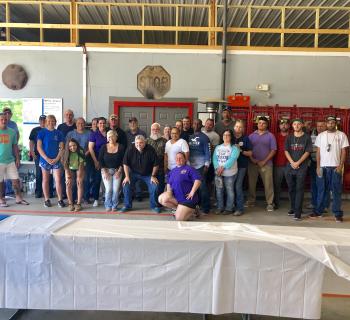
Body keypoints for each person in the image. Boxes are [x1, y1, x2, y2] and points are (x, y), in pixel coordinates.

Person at [312, 116, 349, 222]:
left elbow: (344, 152)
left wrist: (340, 165)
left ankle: (337, 213)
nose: (331, 124)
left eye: (333, 122)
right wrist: (318, 166)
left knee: (336, 191)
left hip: (335, 168)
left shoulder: (341, 135)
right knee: (322, 191)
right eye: (329, 123)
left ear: (335, 124)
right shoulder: (321, 136)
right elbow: (318, 152)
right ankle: (319, 211)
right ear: (326, 124)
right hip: (323, 167)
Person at [120, 135, 160, 213]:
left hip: (148, 174)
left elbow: (156, 164)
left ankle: (154, 206)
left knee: (154, 186)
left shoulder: (150, 149)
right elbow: (125, 163)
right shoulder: (130, 149)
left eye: (141, 143)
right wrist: (127, 177)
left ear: (145, 142)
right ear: (135, 143)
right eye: (137, 143)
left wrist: (153, 176)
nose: (139, 144)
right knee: (126, 184)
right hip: (134, 173)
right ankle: (127, 205)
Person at [158, 152, 201, 221]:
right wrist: (169, 192)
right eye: (177, 158)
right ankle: (180, 209)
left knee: (179, 219)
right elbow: (169, 183)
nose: (178, 159)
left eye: (180, 158)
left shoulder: (189, 169)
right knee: (161, 199)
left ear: (185, 159)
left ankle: (193, 209)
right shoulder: (172, 171)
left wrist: (192, 192)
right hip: (177, 199)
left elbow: (198, 180)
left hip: (187, 199)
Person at [284, 119, 312, 221]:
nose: (296, 126)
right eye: (294, 124)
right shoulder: (289, 137)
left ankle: (298, 212)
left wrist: (298, 163)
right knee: (291, 188)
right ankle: (293, 208)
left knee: (299, 189)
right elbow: (286, 151)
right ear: (292, 126)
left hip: (302, 167)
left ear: (302, 125)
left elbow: (308, 152)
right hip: (290, 167)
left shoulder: (307, 137)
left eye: (298, 124)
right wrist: (292, 162)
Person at [247, 117, 277, 212]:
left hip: (266, 164)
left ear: (267, 125)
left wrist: (264, 161)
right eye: (259, 123)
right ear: (257, 124)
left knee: (268, 184)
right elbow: (248, 150)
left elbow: (273, 150)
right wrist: (253, 159)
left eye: (263, 123)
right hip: (253, 163)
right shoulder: (251, 136)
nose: (261, 125)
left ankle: (270, 203)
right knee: (251, 184)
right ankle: (251, 201)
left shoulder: (271, 136)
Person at [0, 112, 28, 207]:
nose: (4, 121)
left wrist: (17, 159)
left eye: (5, 119)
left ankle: (18, 198)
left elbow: (15, 146)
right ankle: (2, 199)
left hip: (10, 161)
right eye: (1, 119)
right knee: (0, 182)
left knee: (15, 180)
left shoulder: (12, 132)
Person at [37, 114, 65, 208]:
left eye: (53, 121)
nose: (51, 122)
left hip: (56, 159)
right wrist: (46, 158)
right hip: (45, 160)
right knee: (45, 179)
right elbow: (39, 147)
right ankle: (47, 199)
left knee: (58, 179)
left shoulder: (59, 133)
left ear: (55, 122)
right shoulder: (42, 132)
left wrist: (57, 158)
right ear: (45, 122)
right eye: (49, 121)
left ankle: (60, 200)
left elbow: (62, 147)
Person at [213, 129, 240, 214]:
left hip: (230, 173)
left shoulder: (235, 148)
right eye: (224, 135)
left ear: (231, 137)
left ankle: (229, 208)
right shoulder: (218, 147)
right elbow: (214, 158)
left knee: (229, 190)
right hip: (218, 173)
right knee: (219, 190)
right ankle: (220, 207)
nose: (226, 136)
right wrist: (217, 168)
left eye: (228, 135)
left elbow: (232, 159)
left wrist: (222, 167)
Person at [98, 130, 125, 212]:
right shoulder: (103, 147)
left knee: (116, 189)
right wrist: (105, 171)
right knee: (109, 189)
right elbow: (100, 160)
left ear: (116, 137)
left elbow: (124, 160)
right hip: (106, 171)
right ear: (107, 138)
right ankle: (108, 205)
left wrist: (119, 170)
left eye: (113, 136)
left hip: (118, 170)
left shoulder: (121, 147)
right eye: (109, 136)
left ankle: (114, 205)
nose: (111, 138)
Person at [188, 119, 211, 214]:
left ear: (201, 125)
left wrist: (207, 164)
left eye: (198, 124)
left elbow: (208, 151)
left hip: (201, 166)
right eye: (195, 123)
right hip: (191, 166)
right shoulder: (189, 137)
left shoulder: (205, 137)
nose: (196, 125)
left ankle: (205, 207)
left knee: (202, 187)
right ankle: (195, 205)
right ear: (192, 125)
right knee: (193, 187)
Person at [66, 117, 90, 203]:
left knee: (82, 181)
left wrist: (83, 155)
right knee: (70, 182)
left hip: (83, 159)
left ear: (85, 124)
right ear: (76, 124)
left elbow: (90, 147)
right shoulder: (70, 134)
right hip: (70, 160)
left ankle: (83, 199)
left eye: (82, 123)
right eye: (79, 123)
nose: (80, 125)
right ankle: (71, 200)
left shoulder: (89, 133)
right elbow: (66, 147)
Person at [29, 115, 53, 198]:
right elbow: (31, 142)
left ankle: (50, 192)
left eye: (44, 120)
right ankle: (38, 192)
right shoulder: (35, 130)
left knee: (49, 174)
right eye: (41, 120)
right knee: (39, 174)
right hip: (38, 156)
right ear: (39, 121)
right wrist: (32, 152)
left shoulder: (51, 130)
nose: (42, 122)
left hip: (50, 156)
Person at [232, 120, 252, 216]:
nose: (238, 128)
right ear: (234, 127)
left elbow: (250, 153)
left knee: (237, 186)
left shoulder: (246, 139)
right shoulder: (230, 137)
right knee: (230, 186)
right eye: (236, 126)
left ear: (243, 129)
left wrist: (241, 151)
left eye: (240, 127)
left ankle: (240, 208)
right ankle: (231, 206)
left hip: (241, 166)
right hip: (230, 166)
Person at [308, 120, 328, 210]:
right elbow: (310, 149)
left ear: (326, 126)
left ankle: (325, 205)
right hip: (313, 162)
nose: (319, 128)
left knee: (324, 184)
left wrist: (316, 150)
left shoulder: (328, 136)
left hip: (325, 163)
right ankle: (314, 203)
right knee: (314, 184)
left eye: (322, 126)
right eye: (318, 126)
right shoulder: (312, 136)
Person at [88, 117, 108, 207]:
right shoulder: (94, 134)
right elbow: (90, 148)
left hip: (108, 160)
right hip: (96, 159)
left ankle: (105, 197)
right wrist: (96, 161)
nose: (102, 125)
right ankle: (96, 199)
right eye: (100, 123)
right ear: (97, 124)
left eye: (104, 123)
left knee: (107, 180)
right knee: (97, 179)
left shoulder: (109, 133)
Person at [146, 123, 167, 202]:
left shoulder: (165, 141)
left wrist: (166, 167)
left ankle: (160, 203)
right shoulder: (146, 141)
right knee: (153, 187)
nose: (155, 131)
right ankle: (154, 204)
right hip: (150, 168)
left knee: (161, 186)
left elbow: (166, 155)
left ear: (159, 130)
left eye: (157, 129)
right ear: (151, 130)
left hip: (161, 167)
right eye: (153, 129)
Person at [63, 138, 85, 212]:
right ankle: (70, 203)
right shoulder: (65, 153)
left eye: (74, 145)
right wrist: (68, 177)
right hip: (69, 168)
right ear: (68, 147)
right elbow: (66, 166)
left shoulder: (81, 151)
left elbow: (81, 165)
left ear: (77, 145)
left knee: (79, 183)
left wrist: (79, 177)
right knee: (68, 184)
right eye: (70, 146)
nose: (72, 147)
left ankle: (78, 203)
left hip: (79, 166)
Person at [2, 107, 19, 197]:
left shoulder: (13, 125)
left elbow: (17, 136)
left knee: (13, 175)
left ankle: (11, 192)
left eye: (9, 113)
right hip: (1, 156)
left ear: (11, 114)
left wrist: (17, 157)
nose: (7, 114)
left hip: (11, 153)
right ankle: (3, 195)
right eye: (5, 113)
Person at [273, 119, 290, 209]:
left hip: (290, 165)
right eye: (281, 124)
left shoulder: (292, 136)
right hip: (277, 164)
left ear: (289, 126)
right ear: (279, 126)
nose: (283, 125)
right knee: (277, 185)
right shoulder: (275, 136)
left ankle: (294, 204)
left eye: (286, 124)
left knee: (291, 185)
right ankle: (276, 203)